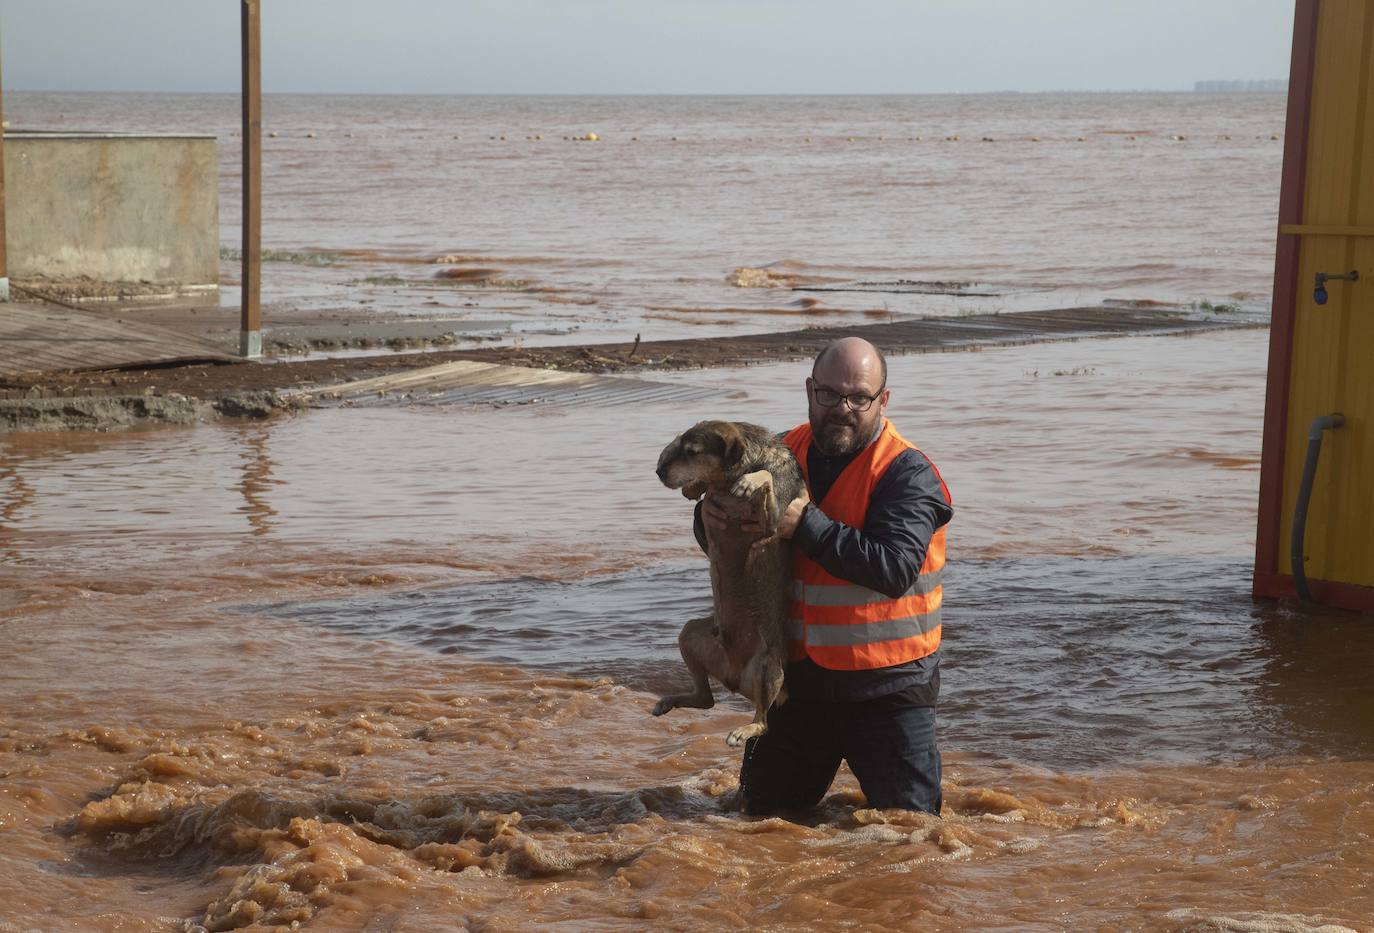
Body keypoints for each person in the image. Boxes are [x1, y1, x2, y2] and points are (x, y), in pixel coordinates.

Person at [695, 336, 953, 815]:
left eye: (858, 398)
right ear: (810, 390)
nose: (842, 409)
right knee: (758, 825)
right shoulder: (776, 453)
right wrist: (706, 518)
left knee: (913, 837)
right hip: (796, 687)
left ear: (883, 400)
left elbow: (894, 568)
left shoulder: (907, 473)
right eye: (829, 394)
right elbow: (729, 534)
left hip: (888, 691)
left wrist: (805, 525)